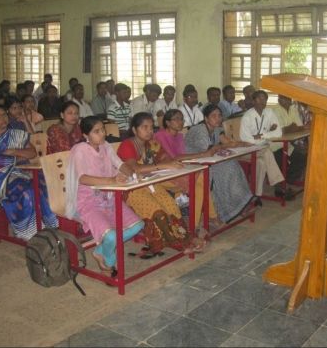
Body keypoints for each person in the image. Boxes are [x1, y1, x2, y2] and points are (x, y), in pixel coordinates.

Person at [65, 116, 144, 275]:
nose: (102, 134)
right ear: (86, 135)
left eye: (103, 130)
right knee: (112, 236)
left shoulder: (106, 146)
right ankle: (109, 261)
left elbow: (120, 164)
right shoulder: (80, 150)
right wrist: (112, 180)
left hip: (108, 197)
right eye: (97, 131)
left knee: (138, 225)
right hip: (88, 201)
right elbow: (83, 178)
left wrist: (134, 175)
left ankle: (99, 251)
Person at [117, 112, 200, 253]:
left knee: (171, 206)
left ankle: (185, 237)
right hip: (131, 188)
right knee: (157, 212)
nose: (149, 131)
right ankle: (177, 243)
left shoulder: (153, 144)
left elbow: (166, 159)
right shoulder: (127, 145)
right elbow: (134, 169)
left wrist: (173, 164)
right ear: (134, 130)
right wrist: (162, 166)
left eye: (151, 127)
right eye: (144, 127)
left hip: (151, 184)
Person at [0, 105, 58, 240]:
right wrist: (20, 157)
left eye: (4, 115)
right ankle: (27, 230)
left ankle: (50, 223)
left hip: (23, 170)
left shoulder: (16, 132)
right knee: (28, 191)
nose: (2, 119)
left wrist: (14, 151)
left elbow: (32, 152)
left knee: (47, 182)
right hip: (0, 176)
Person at [154, 109, 223, 229]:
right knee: (200, 180)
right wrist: (202, 154)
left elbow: (181, 158)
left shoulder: (180, 136)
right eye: (177, 119)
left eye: (182, 119)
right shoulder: (160, 135)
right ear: (168, 122)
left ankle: (199, 222)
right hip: (161, 173)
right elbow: (174, 158)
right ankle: (207, 219)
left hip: (176, 170)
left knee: (201, 177)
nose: (181, 122)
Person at [184, 104, 254, 223]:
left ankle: (240, 203)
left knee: (233, 164)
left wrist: (244, 144)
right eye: (214, 116)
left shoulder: (216, 129)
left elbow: (228, 142)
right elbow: (209, 149)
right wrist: (226, 145)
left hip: (209, 160)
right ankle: (225, 209)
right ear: (206, 118)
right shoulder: (199, 129)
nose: (218, 118)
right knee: (227, 169)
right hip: (194, 163)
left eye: (220, 115)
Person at [239, 90, 286, 202]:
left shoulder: (269, 112)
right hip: (247, 150)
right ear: (253, 101)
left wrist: (261, 135)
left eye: (264, 99)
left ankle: (257, 195)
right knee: (267, 151)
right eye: (259, 98)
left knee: (261, 162)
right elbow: (246, 139)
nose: (262, 101)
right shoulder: (247, 116)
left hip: (260, 148)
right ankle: (278, 184)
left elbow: (278, 133)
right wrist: (265, 137)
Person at [272, 94, 310, 187]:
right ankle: (283, 182)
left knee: (304, 152)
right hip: (276, 144)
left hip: (289, 143)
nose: (289, 100)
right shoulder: (274, 110)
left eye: (289, 98)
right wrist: (292, 128)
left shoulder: (293, 109)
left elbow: (299, 126)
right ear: (279, 100)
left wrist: (293, 128)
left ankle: (289, 178)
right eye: (285, 98)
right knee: (287, 155)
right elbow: (282, 131)